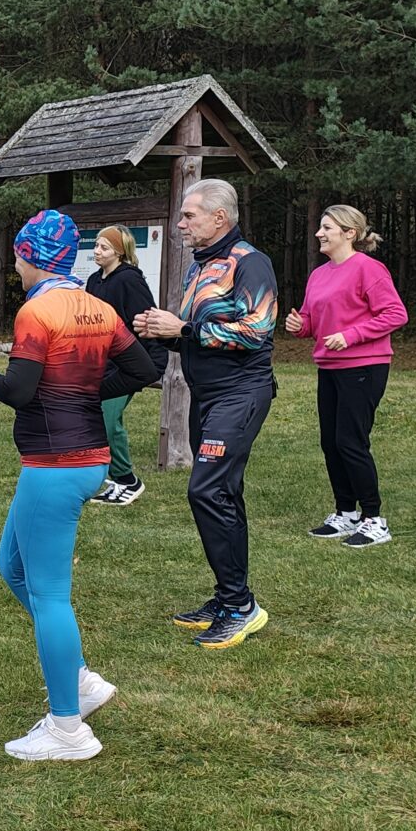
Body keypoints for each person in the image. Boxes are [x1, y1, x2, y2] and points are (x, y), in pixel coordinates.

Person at [0, 211, 159, 761]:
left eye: (18, 256)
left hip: (55, 464)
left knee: (49, 596)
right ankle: (80, 681)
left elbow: (19, 392)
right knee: (12, 567)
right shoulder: (97, 307)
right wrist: (84, 391)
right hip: (83, 458)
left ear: (29, 257)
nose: (16, 266)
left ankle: (68, 728)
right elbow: (143, 370)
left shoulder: (36, 311)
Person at [132, 180, 280, 650]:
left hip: (241, 393)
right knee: (223, 493)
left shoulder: (249, 262)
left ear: (220, 217)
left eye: (188, 215)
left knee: (207, 490)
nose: (180, 224)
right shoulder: (201, 266)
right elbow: (197, 334)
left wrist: (184, 330)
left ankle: (240, 607)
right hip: (208, 395)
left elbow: (256, 330)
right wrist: (164, 331)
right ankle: (229, 596)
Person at [285, 203, 409, 548]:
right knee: (331, 442)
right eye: (320, 227)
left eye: (327, 228)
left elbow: (396, 314)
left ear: (349, 233)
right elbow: (312, 321)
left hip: (364, 366)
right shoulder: (318, 274)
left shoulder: (368, 269)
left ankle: (374, 520)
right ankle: (346, 514)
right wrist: (299, 325)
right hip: (329, 367)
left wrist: (351, 335)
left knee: (351, 442)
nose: (319, 233)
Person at [83, 223, 165, 506]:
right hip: (103, 363)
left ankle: (128, 480)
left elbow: (145, 320)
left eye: (104, 247)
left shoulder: (130, 280)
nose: (97, 251)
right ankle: (117, 480)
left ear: (119, 252)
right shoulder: (94, 281)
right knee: (98, 418)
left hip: (130, 363)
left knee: (108, 420)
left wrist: (150, 359)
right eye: (96, 245)